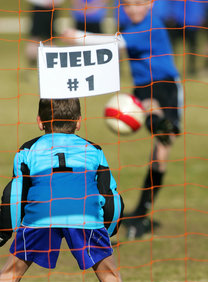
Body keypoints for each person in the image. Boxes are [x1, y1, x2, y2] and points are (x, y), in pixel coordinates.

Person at [0, 98, 156, 282]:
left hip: (40, 217)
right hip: (85, 218)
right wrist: (109, 227)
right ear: (79, 121)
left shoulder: (26, 151)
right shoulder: (93, 150)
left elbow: (15, 194)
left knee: (9, 275)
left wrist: (4, 231)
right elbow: (110, 194)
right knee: (110, 276)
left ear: (40, 122)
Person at [63, 0, 183, 239]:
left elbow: (116, 43)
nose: (133, 9)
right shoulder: (129, 24)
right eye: (128, 4)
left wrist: (78, 35)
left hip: (166, 86)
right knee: (157, 126)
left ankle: (140, 214)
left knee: (160, 153)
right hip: (142, 88)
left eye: (138, 3)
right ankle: (157, 123)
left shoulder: (152, 25)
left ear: (150, 4)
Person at [25, 0, 64, 66]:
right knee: (35, 37)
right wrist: (43, 2)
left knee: (50, 37)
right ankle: (32, 63)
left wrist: (55, 2)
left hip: (52, 9)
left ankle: (51, 62)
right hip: (38, 9)